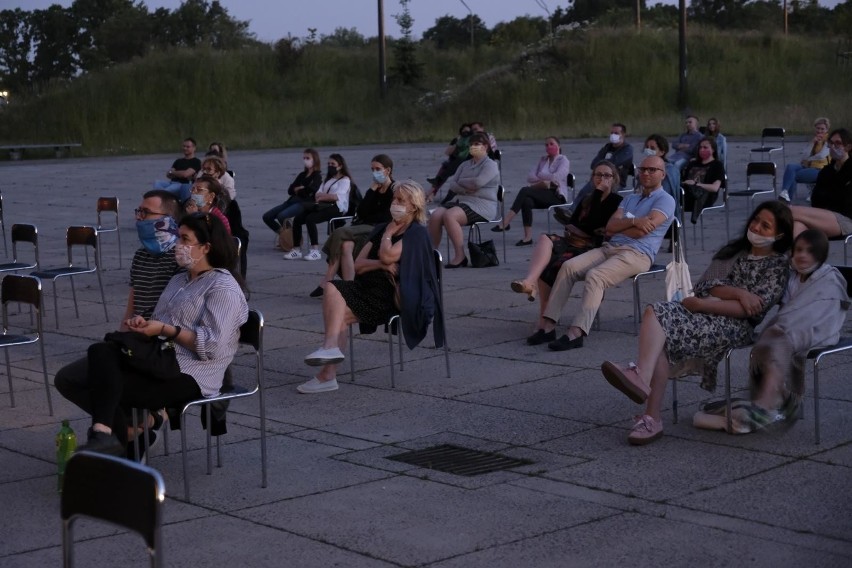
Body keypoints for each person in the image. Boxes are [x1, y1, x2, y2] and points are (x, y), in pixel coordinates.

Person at [55, 213, 249, 457]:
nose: (178, 245)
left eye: (185, 239)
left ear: (206, 247)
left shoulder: (223, 288)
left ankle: (117, 438)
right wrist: (146, 324)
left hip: (191, 373)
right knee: (95, 356)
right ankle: (117, 432)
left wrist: (166, 330)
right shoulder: (179, 279)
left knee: (103, 384)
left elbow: (212, 346)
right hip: (160, 358)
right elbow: (163, 322)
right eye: (179, 238)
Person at [601, 201, 794, 445]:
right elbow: (706, 285)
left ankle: (650, 411)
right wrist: (740, 293)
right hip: (706, 312)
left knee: (661, 327)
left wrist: (712, 302)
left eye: (765, 226)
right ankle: (645, 392)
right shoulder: (734, 251)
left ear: (779, 235)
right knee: (654, 312)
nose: (756, 227)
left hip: (734, 326)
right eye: (755, 220)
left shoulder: (777, 266)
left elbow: (750, 311)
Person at [694, 230, 849, 434]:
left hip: (819, 329)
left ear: (820, 256)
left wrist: (785, 328)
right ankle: (780, 396)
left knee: (778, 340)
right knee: (772, 339)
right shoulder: (790, 276)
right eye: (799, 250)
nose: (803, 255)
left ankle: (767, 402)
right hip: (788, 327)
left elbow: (823, 311)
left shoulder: (828, 278)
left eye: (810, 252)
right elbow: (782, 308)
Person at [299, 181, 443, 393]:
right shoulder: (381, 228)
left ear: (414, 206)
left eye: (400, 200)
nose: (394, 203)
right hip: (365, 288)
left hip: (389, 296)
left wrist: (388, 237)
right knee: (334, 300)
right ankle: (328, 364)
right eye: (394, 199)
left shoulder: (416, 233)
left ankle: (328, 369)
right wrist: (380, 263)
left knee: (334, 300)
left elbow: (388, 254)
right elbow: (358, 264)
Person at [532, 155, 676, 351]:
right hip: (610, 248)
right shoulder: (631, 198)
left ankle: (576, 332)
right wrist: (634, 221)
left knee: (595, 276)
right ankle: (548, 326)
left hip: (637, 253)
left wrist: (624, 226)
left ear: (663, 174)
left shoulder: (665, 200)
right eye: (643, 169)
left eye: (652, 170)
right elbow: (609, 227)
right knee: (568, 267)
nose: (646, 173)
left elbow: (643, 232)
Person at [510, 161, 623, 343]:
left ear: (614, 179)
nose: (602, 179)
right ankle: (530, 285)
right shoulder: (587, 197)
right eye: (598, 175)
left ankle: (545, 323)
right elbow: (579, 223)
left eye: (607, 175)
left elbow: (597, 224)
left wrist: (598, 193)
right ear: (593, 177)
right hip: (575, 241)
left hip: (593, 247)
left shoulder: (616, 201)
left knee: (554, 265)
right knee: (545, 241)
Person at [312, 154, 396, 297]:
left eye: (378, 169)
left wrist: (369, 216)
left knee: (340, 232)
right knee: (346, 245)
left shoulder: (393, 189)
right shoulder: (375, 189)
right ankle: (350, 287)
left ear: (387, 170)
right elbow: (361, 211)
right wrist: (371, 190)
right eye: (372, 169)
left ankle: (328, 279)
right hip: (364, 226)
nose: (375, 172)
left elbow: (386, 216)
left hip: (378, 229)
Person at [427, 132, 500, 268]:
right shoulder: (464, 165)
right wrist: (467, 188)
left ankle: (460, 256)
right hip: (461, 201)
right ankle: (432, 253)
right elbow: (453, 185)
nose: (473, 147)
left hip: (482, 205)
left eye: (477, 144)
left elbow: (478, 182)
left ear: (486, 146)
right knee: (435, 215)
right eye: (471, 144)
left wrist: (463, 183)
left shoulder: (490, 165)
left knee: (450, 216)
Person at [491, 136, 571, 246]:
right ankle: (527, 237)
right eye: (546, 145)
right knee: (526, 200)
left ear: (558, 146)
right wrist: (544, 181)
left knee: (525, 190)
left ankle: (506, 221)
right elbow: (530, 177)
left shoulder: (563, 160)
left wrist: (542, 176)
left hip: (556, 195)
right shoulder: (543, 160)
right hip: (542, 191)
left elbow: (557, 178)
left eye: (551, 144)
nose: (549, 146)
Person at [122, 190, 184, 326]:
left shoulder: (181, 257)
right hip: (139, 329)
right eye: (138, 211)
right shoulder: (141, 255)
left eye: (146, 212)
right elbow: (131, 309)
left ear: (167, 219)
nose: (139, 217)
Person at [285, 153, 353, 261]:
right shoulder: (328, 179)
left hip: (336, 208)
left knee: (310, 219)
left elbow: (336, 197)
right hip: (323, 205)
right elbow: (318, 193)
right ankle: (296, 249)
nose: (330, 166)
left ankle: (315, 251)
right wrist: (323, 196)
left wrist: (323, 197)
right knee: (298, 219)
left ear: (340, 166)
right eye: (329, 164)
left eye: (333, 164)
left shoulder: (345, 180)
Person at [790, 128, 852, 238]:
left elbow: (846, 202)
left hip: (846, 220)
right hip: (823, 216)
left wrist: (829, 197)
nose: (833, 147)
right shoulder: (826, 171)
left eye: (838, 143)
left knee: (789, 211)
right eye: (831, 143)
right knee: (797, 226)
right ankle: (793, 254)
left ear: (848, 147)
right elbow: (816, 200)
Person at [262, 149, 323, 238]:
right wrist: (301, 188)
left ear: (315, 159)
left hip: (303, 203)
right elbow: (290, 190)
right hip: (292, 201)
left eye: (308, 158)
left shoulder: (317, 176)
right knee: (267, 216)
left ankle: (294, 237)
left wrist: (300, 189)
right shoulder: (302, 175)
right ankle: (284, 235)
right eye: (304, 158)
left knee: (282, 216)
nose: (305, 160)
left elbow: (309, 191)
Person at [779, 117, 831, 203]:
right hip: (809, 166)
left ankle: (787, 200)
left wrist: (808, 159)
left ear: (827, 130)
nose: (820, 131)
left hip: (821, 169)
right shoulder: (815, 139)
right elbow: (804, 156)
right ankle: (784, 193)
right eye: (818, 128)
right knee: (790, 167)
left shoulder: (828, 141)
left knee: (793, 175)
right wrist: (812, 143)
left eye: (822, 129)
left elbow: (821, 156)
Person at [576, 123, 634, 195]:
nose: (613, 135)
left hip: (615, 182)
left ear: (623, 134)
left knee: (593, 193)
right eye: (612, 133)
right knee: (583, 193)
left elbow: (614, 163)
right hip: (599, 179)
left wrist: (601, 164)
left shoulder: (627, 149)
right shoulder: (607, 147)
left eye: (616, 133)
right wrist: (603, 164)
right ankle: (575, 206)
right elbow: (593, 164)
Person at [681, 136, 726, 224]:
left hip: (706, 195)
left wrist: (695, 184)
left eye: (705, 147)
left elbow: (714, 188)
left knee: (700, 194)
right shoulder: (693, 163)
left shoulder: (717, 165)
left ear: (713, 150)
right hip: (688, 191)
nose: (702, 150)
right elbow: (684, 179)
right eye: (700, 147)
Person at [426, 123, 472, 198]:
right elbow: (447, 152)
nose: (465, 133)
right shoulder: (457, 140)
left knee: (446, 170)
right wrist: (457, 142)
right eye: (464, 131)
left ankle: (435, 186)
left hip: (464, 163)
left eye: (467, 132)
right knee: (445, 167)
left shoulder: (471, 140)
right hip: (453, 163)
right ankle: (432, 192)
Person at [153, 138, 202, 203]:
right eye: (184, 146)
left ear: (194, 148)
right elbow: (168, 175)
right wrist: (177, 173)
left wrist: (174, 173)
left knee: (165, 191)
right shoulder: (178, 161)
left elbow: (185, 174)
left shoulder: (196, 162)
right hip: (172, 183)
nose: (185, 148)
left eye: (188, 147)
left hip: (182, 185)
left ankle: (159, 199)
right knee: (157, 183)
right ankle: (160, 197)